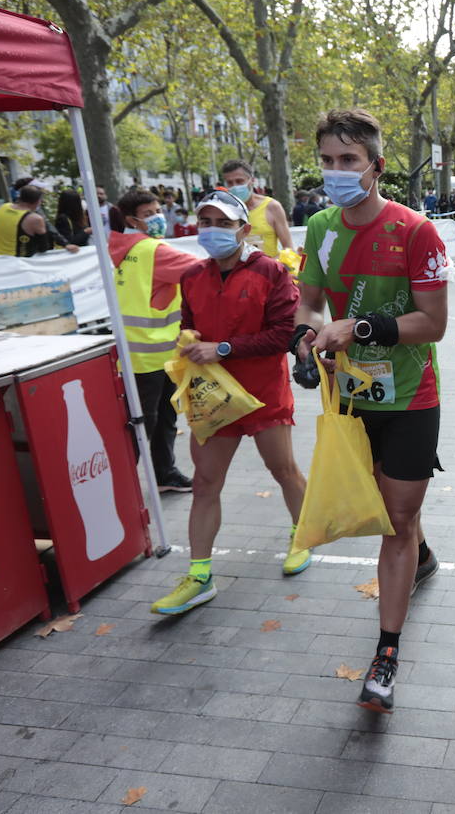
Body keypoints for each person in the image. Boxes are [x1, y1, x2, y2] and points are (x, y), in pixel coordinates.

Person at [294, 108, 448, 713]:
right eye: (328, 161)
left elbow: (431, 323)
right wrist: (306, 338)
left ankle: (386, 653)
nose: (336, 172)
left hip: (410, 399)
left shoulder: (417, 232)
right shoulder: (320, 228)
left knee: (396, 520)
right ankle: (421, 553)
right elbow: (308, 303)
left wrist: (357, 327)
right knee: (393, 512)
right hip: (349, 402)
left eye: (348, 161)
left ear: (377, 167)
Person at [150, 190, 308, 615]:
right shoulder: (193, 276)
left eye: (222, 223)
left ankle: (304, 534)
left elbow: (282, 335)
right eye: (204, 222)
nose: (212, 231)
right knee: (204, 482)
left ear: (243, 230)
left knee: (284, 470)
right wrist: (189, 341)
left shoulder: (272, 272)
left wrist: (221, 349)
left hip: (263, 395)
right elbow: (189, 322)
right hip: (213, 398)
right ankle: (199, 575)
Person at [109, 189, 202, 497]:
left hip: (146, 352)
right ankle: (122, 490)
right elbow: (203, 270)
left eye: (157, 210)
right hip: (149, 355)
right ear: (130, 219)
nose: (157, 217)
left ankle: (164, 473)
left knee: (161, 416)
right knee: (143, 423)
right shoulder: (152, 251)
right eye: (148, 214)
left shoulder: (124, 249)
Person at [0, 185, 80, 256]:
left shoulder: (3, 208)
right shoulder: (34, 219)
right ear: (38, 202)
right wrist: (65, 244)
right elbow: (44, 247)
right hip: (21, 263)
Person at [219, 159, 293, 258]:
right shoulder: (223, 211)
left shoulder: (272, 207)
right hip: (239, 272)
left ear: (252, 180)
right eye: (230, 183)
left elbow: (289, 249)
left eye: (239, 181)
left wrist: (276, 266)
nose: (235, 186)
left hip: (269, 271)